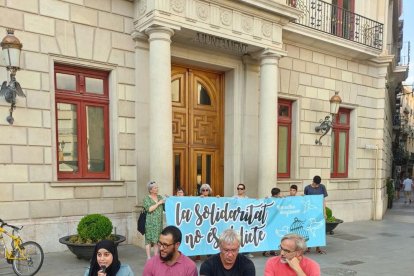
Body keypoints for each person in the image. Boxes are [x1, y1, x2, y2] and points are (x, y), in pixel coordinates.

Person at [304, 175, 327, 254]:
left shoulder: (322, 187)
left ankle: (318, 247)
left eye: (318, 184)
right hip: (310, 212)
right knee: (309, 228)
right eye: (316, 184)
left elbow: (323, 200)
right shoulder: (307, 188)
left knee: (319, 228)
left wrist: (324, 212)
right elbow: (305, 200)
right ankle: (308, 247)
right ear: (313, 181)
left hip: (319, 211)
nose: (317, 186)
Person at [143, 181, 165, 260]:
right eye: (155, 188)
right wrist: (158, 203)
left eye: (157, 187)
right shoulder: (146, 199)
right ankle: (148, 258)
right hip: (150, 223)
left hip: (159, 223)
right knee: (148, 240)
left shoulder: (160, 197)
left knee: (157, 240)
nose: (157, 189)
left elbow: (166, 207)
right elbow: (149, 209)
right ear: (150, 190)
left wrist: (168, 198)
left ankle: (156, 257)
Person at [233, 184, 253, 258]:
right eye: (238, 188)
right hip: (237, 220)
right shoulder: (234, 198)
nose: (239, 190)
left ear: (244, 190)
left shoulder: (247, 198)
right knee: (237, 236)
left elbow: (253, 204)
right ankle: (238, 251)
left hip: (245, 219)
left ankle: (247, 252)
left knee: (246, 235)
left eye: (241, 189)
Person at [263, 188, 282, 257]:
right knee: (270, 236)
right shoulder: (270, 200)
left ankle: (270, 251)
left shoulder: (271, 199)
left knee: (270, 236)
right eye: (279, 193)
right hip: (270, 221)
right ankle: (266, 251)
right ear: (277, 194)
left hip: (270, 221)